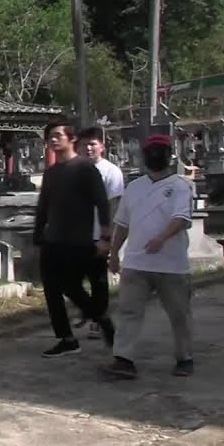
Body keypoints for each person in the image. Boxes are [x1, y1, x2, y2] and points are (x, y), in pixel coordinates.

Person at [106, 134, 195, 379]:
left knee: (179, 313)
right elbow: (122, 224)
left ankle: (184, 357)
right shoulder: (134, 188)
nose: (156, 155)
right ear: (144, 155)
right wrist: (114, 254)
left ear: (169, 155)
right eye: (151, 150)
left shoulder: (180, 186)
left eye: (161, 150)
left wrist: (162, 238)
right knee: (129, 312)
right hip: (136, 262)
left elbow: (181, 219)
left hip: (171, 265)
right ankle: (123, 359)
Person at [34, 118, 115, 357]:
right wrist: (38, 236)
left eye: (59, 135)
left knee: (70, 286)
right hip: (52, 239)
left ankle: (101, 319)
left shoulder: (85, 168)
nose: (54, 139)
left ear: (72, 139)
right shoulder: (51, 173)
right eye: (50, 137)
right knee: (51, 289)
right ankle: (66, 338)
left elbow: (102, 203)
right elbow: (43, 207)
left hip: (77, 239)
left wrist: (105, 237)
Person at [76, 127, 125, 341]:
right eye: (84, 144)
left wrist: (110, 236)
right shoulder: (74, 170)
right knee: (73, 277)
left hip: (100, 233)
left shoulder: (111, 171)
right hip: (77, 233)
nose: (88, 148)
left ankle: (99, 318)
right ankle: (88, 310)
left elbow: (114, 204)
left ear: (101, 146)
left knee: (98, 280)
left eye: (92, 144)